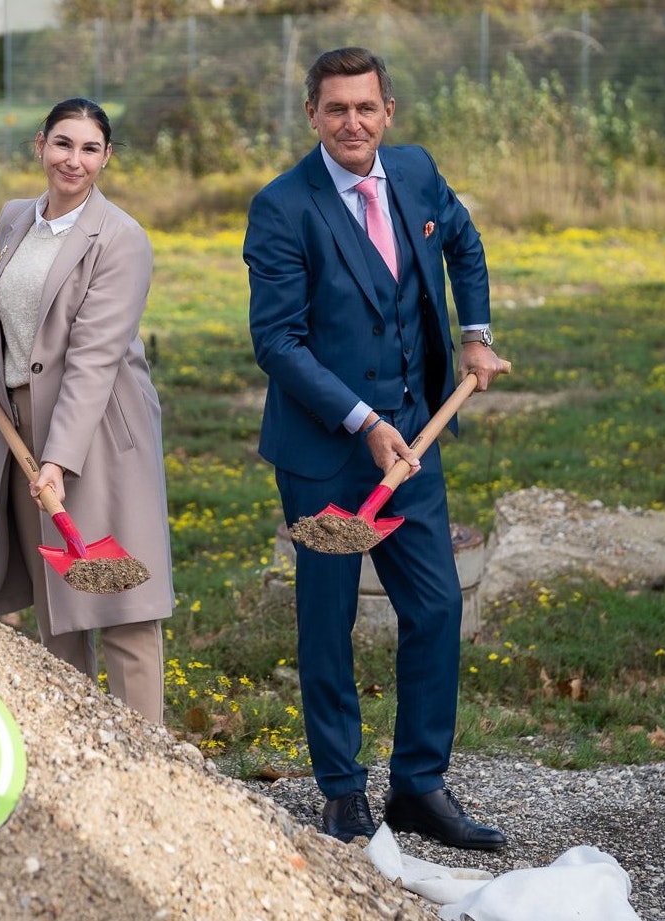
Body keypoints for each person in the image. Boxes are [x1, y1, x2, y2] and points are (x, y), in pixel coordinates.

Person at [244, 47, 510, 848]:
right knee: (326, 621)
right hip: (327, 450)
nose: (352, 122)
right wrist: (362, 419)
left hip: (414, 441)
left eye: (366, 107)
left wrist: (475, 333)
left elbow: (462, 243)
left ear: (388, 110)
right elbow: (278, 343)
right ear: (312, 116)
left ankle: (420, 784)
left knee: (435, 607)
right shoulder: (282, 207)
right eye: (336, 109)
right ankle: (341, 788)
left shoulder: (419, 173)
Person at [0, 98, 172, 723]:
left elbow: (94, 358)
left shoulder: (122, 239)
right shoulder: (16, 219)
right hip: (23, 423)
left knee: (121, 606)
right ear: (39, 145)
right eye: (62, 144)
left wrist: (58, 460)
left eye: (88, 149)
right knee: (57, 598)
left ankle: (147, 763)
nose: (72, 160)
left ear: (106, 157)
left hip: (101, 433)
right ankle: (80, 753)